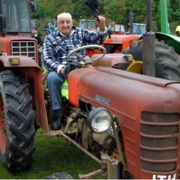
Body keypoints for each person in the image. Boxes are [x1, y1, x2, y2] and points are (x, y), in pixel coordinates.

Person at [42, 12, 108, 130]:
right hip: (62, 70)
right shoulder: (50, 38)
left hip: (81, 68)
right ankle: (57, 114)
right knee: (52, 78)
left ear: (72, 22)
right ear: (57, 24)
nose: (65, 25)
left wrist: (102, 27)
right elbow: (47, 58)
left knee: (100, 78)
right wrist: (60, 68)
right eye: (62, 22)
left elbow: (98, 39)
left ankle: (99, 110)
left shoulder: (80, 33)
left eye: (68, 22)